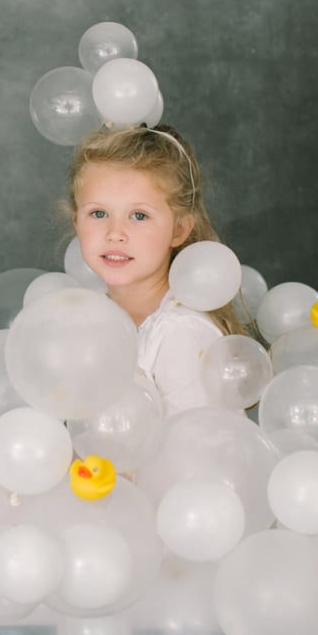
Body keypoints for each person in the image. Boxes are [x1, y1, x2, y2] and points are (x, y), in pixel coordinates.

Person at [69, 123, 243, 416]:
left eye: (139, 215)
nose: (115, 233)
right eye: (98, 213)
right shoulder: (92, 316)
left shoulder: (180, 335)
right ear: (76, 223)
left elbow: (201, 450)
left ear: (179, 229)